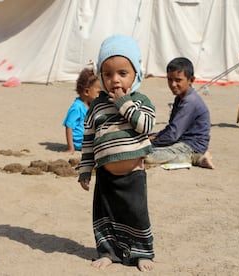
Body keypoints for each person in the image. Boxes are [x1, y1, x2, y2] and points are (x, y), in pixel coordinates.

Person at [78, 34, 156, 272]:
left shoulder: (140, 101)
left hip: (133, 174)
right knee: (106, 216)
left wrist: (124, 104)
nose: (115, 80)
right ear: (100, 76)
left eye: (123, 73)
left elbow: (146, 125)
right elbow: (89, 141)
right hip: (106, 176)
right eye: (108, 74)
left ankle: (141, 252)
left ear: (136, 75)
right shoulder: (96, 107)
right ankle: (108, 252)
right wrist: (85, 170)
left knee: (136, 214)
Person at [145, 57, 214, 169]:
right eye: (170, 79)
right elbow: (172, 128)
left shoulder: (190, 101)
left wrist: (152, 142)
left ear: (191, 80)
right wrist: (152, 137)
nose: (173, 84)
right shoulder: (180, 98)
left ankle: (195, 158)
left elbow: (173, 134)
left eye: (178, 80)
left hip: (190, 147)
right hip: (180, 141)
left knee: (144, 155)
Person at [62, 67, 100, 154]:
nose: (100, 96)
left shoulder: (91, 106)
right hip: (80, 143)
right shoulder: (77, 107)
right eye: (98, 93)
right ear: (87, 92)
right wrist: (71, 148)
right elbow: (69, 127)